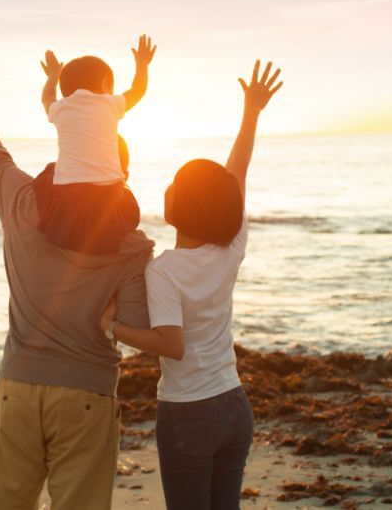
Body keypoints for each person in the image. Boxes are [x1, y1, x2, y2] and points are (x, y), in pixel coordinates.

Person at [0, 26, 154, 510]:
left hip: (18, 389)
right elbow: (134, 328)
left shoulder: (21, 202)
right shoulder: (131, 246)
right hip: (86, 394)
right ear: (119, 171)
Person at [100, 60, 283, 510]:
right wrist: (252, 112)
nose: (168, 187)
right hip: (234, 405)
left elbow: (171, 344)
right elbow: (236, 172)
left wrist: (112, 327)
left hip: (189, 413)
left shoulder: (164, 270)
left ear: (181, 204)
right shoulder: (231, 246)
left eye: (176, 184)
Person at [36, 36, 156, 254]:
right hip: (109, 199)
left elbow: (47, 97)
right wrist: (142, 64)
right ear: (105, 84)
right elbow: (138, 90)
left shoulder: (60, 108)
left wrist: (52, 76)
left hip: (69, 199)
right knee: (123, 186)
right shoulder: (109, 103)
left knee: (48, 173)